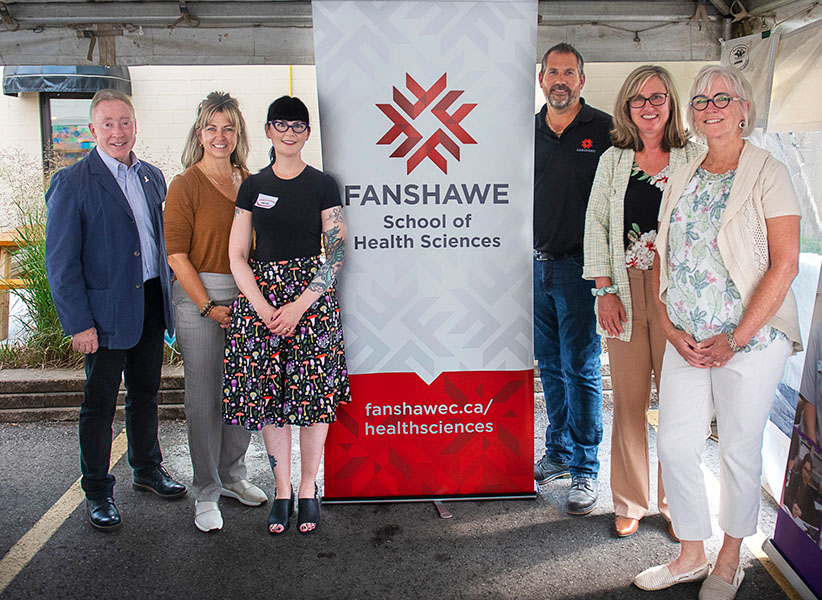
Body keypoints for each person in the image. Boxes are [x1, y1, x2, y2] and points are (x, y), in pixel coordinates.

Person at [634, 65, 802, 599]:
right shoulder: (684, 170)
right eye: (701, 100)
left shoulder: (768, 172)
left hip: (749, 340)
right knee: (677, 445)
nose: (710, 108)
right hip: (687, 336)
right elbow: (663, 248)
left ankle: (730, 559)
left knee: (737, 449)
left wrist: (735, 337)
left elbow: (786, 264)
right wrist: (666, 320)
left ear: (744, 109)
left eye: (722, 99)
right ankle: (691, 553)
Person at [45, 89, 186, 531]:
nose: (117, 131)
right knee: (99, 404)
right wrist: (79, 323)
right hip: (102, 315)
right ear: (93, 130)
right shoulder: (72, 182)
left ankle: (146, 468)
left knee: (146, 394)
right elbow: (61, 262)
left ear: (135, 125)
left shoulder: (153, 177)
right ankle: (97, 490)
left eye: (124, 122)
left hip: (148, 304)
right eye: (107, 123)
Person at [583, 65, 703, 539]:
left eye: (656, 97)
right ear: (626, 107)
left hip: (681, 294)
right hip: (626, 292)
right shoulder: (613, 160)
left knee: (678, 405)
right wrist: (604, 290)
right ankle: (631, 500)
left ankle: (676, 502)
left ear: (671, 103)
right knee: (630, 402)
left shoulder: (694, 157)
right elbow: (596, 225)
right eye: (638, 99)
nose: (648, 106)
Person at [222, 95, 351, 535]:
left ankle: (309, 488)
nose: (290, 133)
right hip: (261, 302)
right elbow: (237, 254)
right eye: (282, 124)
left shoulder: (322, 185)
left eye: (298, 126)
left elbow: (334, 253)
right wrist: (261, 307)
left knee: (314, 403)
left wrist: (298, 306)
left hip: (310, 305)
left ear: (308, 134)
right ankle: (282, 490)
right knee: (272, 404)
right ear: (268, 131)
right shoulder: (252, 186)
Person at [164, 92, 268, 533]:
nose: (220, 136)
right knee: (204, 398)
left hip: (247, 295)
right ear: (199, 133)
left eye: (228, 128)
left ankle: (233, 476)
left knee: (244, 390)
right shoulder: (185, 184)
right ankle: (205, 491)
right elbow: (176, 256)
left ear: (238, 133)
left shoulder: (252, 182)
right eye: (212, 127)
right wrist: (208, 306)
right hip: (199, 295)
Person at [533, 42, 612, 515]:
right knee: (550, 366)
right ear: (542, 79)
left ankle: (586, 467)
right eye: (552, 72)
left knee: (581, 368)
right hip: (535, 266)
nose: (560, 80)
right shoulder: (529, 130)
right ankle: (559, 453)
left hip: (582, 269)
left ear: (582, 79)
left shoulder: (604, 130)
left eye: (569, 72)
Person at [784, 454, 820, 530]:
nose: (806, 474)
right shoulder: (796, 478)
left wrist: (801, 513)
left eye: (808, 472)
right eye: (805, 469)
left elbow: (812, 516)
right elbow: (786, 493)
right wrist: (792, 505)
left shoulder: (809, 492)